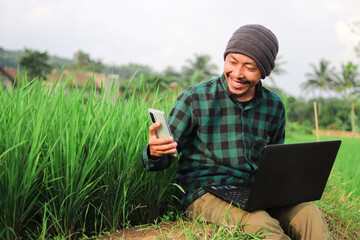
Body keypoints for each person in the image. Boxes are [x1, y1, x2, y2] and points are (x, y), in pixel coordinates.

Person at [142, 24, 329, 240]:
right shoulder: (195, 99)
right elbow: (164, 158)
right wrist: (155, 152)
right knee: (262, 225)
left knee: (309, 214)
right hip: (205, 191)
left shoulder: (274, 106)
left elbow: (276, 163)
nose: (237, 73)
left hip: (255, 192)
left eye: (249, 67)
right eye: (232, 62)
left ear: (264, 71)